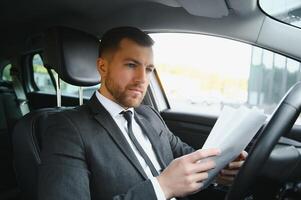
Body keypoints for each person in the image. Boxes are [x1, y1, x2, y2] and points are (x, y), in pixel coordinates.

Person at [38, 26, 247, 200]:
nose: (142, 78)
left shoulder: (149, 115)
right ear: (103, 67)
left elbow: (186, 157)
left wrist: (221, 169)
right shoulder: (66, 128)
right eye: (131, 65)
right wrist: (162, 187)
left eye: (148, 69)